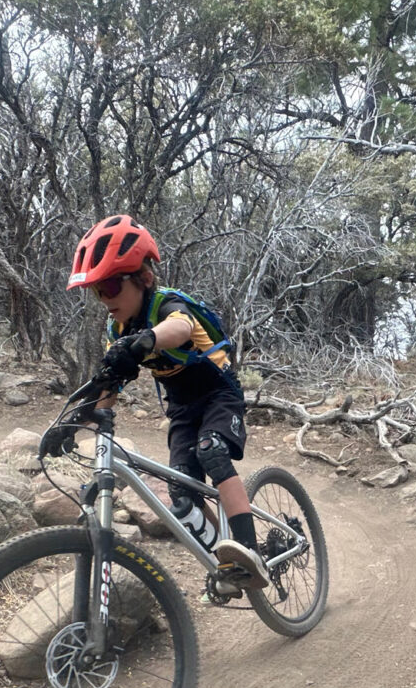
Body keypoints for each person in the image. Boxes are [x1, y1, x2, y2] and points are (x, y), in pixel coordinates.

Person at [65, 214, 269, 589]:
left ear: (141, 278)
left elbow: (181, 328)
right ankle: (226, 562)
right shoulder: (119, 329)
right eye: (97, 291)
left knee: (212, 451)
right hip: (181, 411)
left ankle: (249, 549)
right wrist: (82, 420)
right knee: (182, 492)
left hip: (218, 396)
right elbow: (110, 384)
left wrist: (144, 342)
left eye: (110, 285)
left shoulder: (165, 304)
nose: (104, 298)